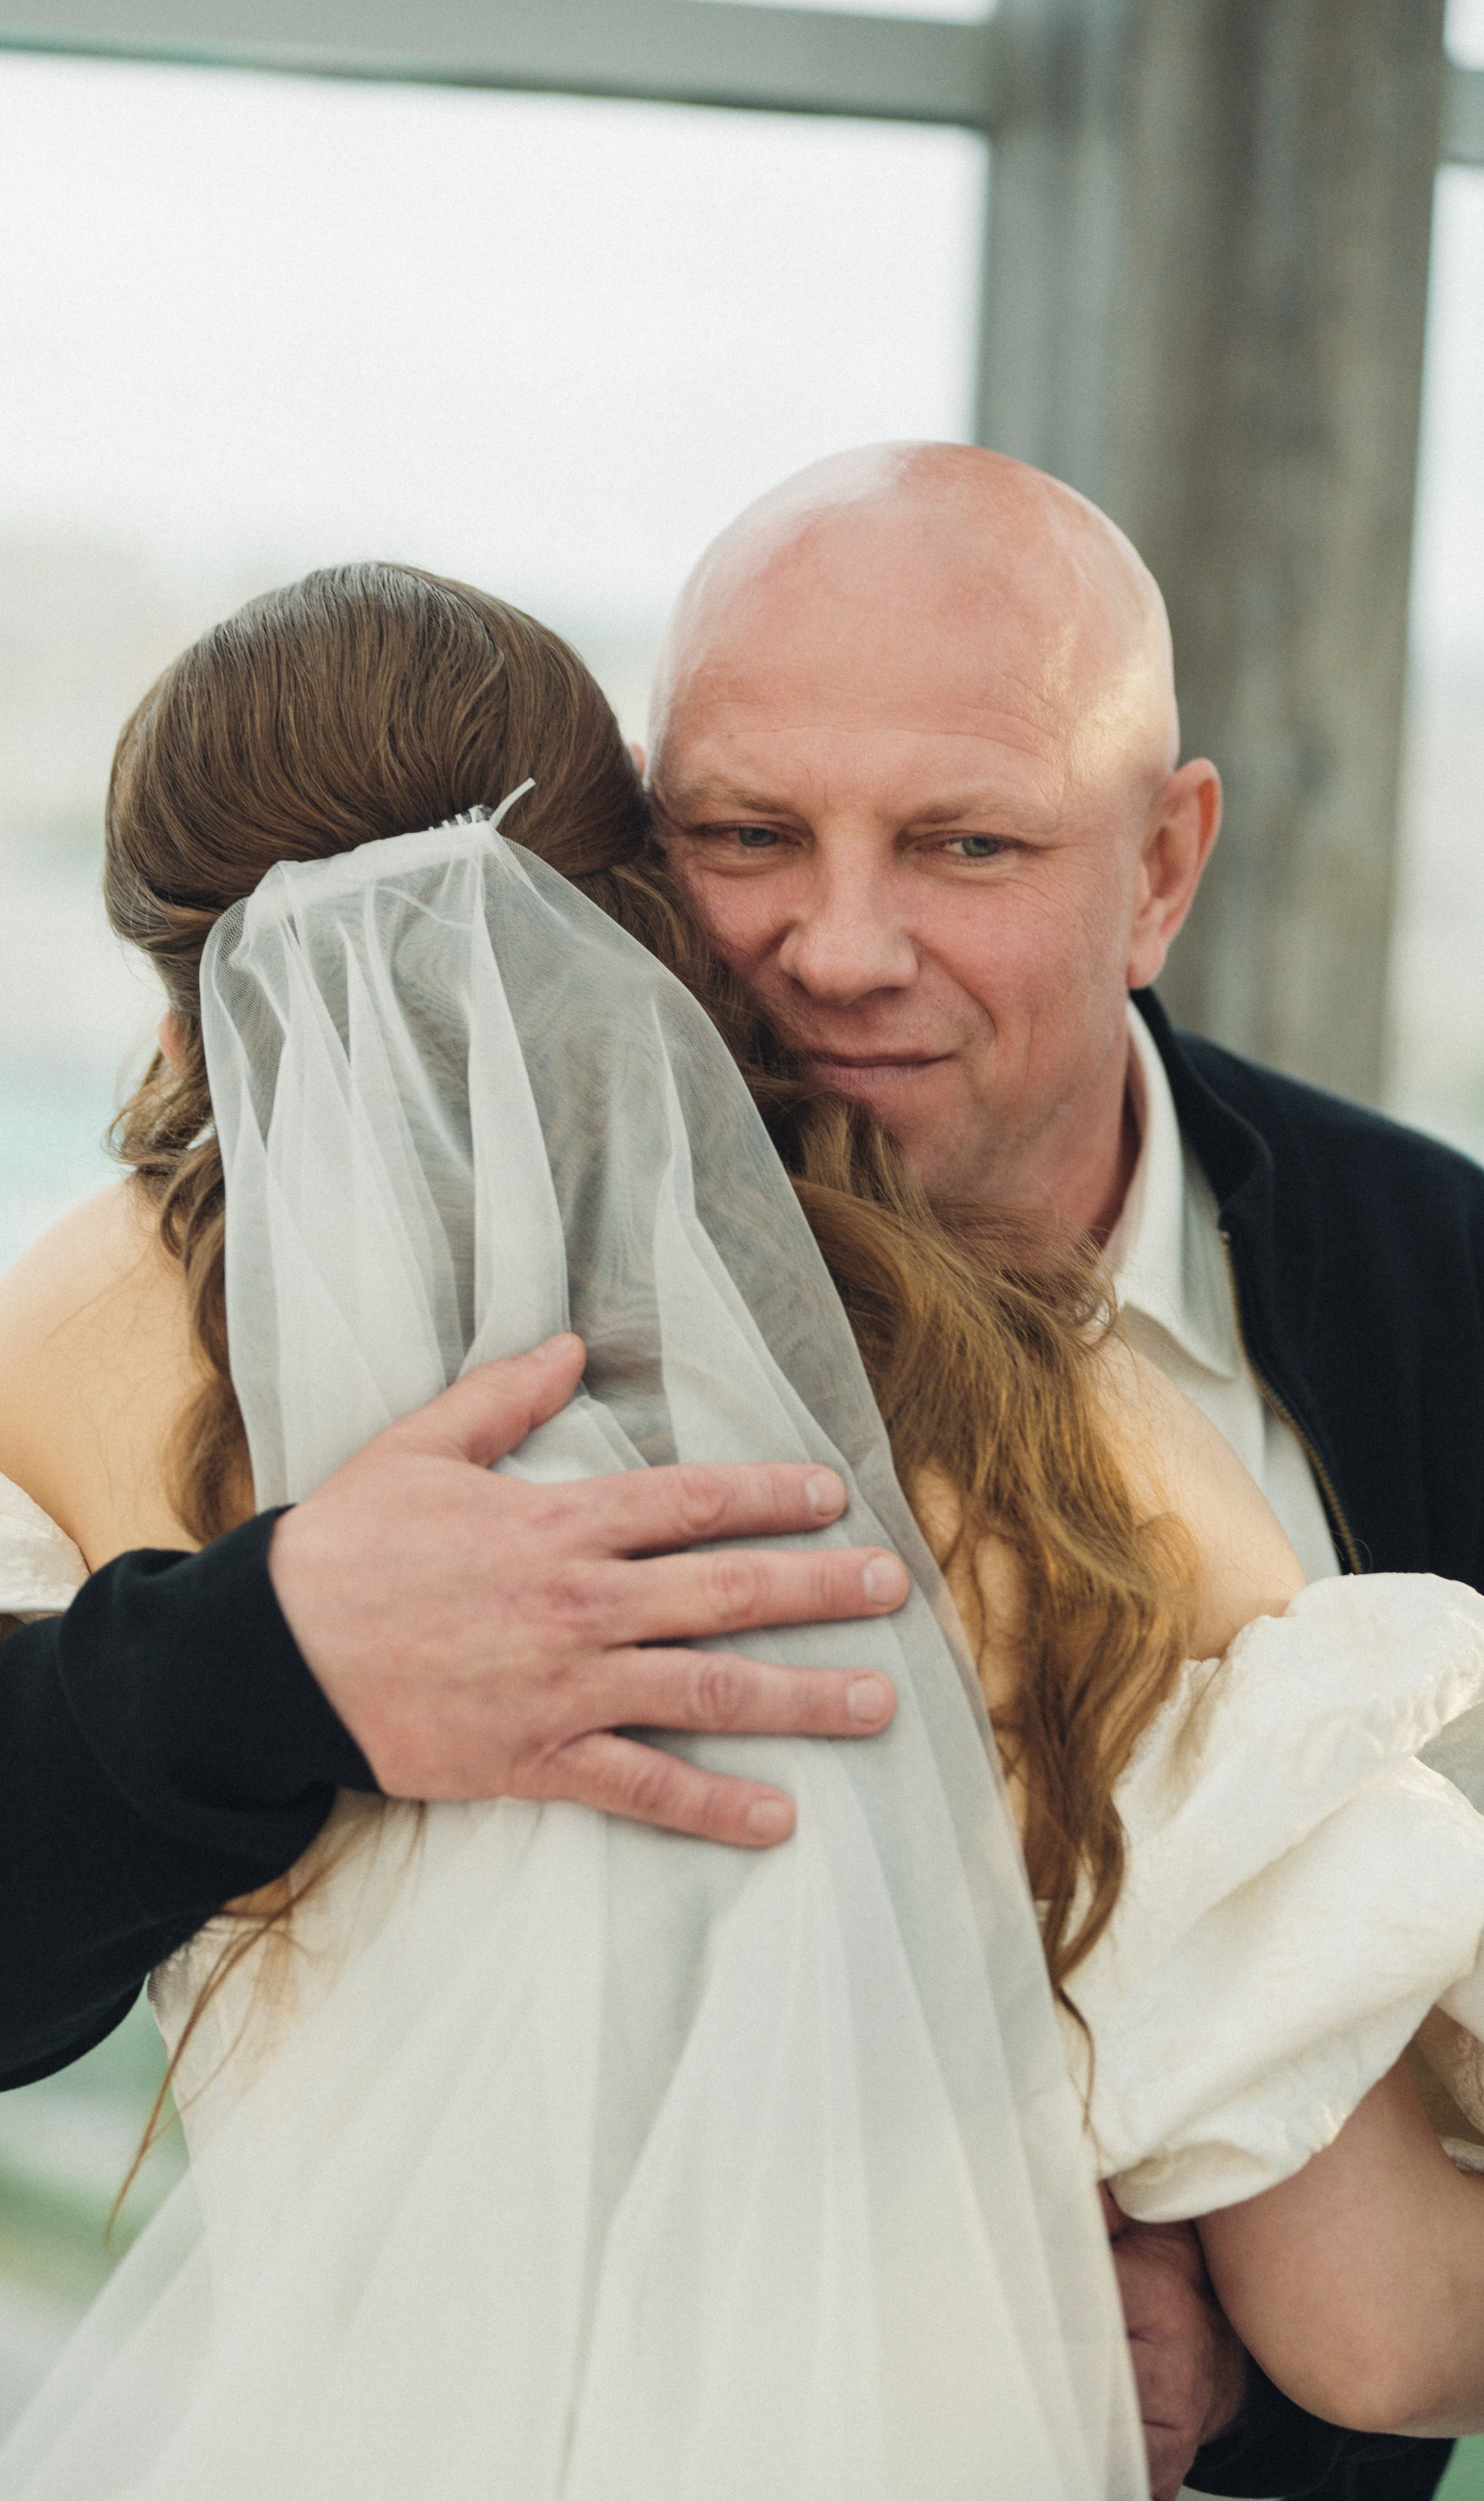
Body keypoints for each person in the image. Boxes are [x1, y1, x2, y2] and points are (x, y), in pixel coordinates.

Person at [0, 561, 1484, 2500]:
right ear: (631, 914)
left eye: (961, 842)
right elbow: (1384, 2340)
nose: (853, 948)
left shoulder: (93, 1341)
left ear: (192, 1020)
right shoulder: (1061, 1432)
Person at [643, 438, 1484, 2500]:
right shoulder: (466, 1299)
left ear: (1165, 871)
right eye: (748, 834)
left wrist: (1255, 2376)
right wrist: (283, 1644)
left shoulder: (1454, 1298)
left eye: (964, 848)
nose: (836, 950)